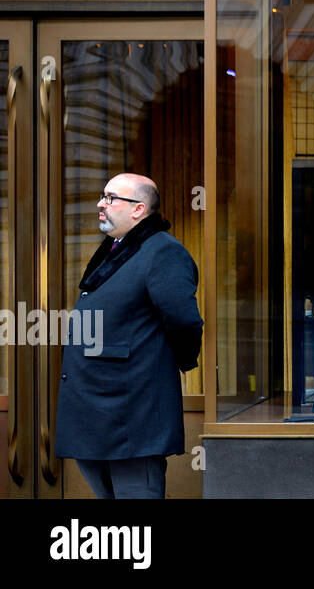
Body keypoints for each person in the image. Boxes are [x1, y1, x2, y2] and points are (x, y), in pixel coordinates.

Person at [54, 172, 203, 499]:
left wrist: (168, 364)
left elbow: (184, 321)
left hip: (132, 409)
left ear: (138, 209)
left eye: (110, 198)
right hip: (97, 408)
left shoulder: (163, 251)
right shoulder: (117, 248)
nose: (100, 204)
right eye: (102, 196)